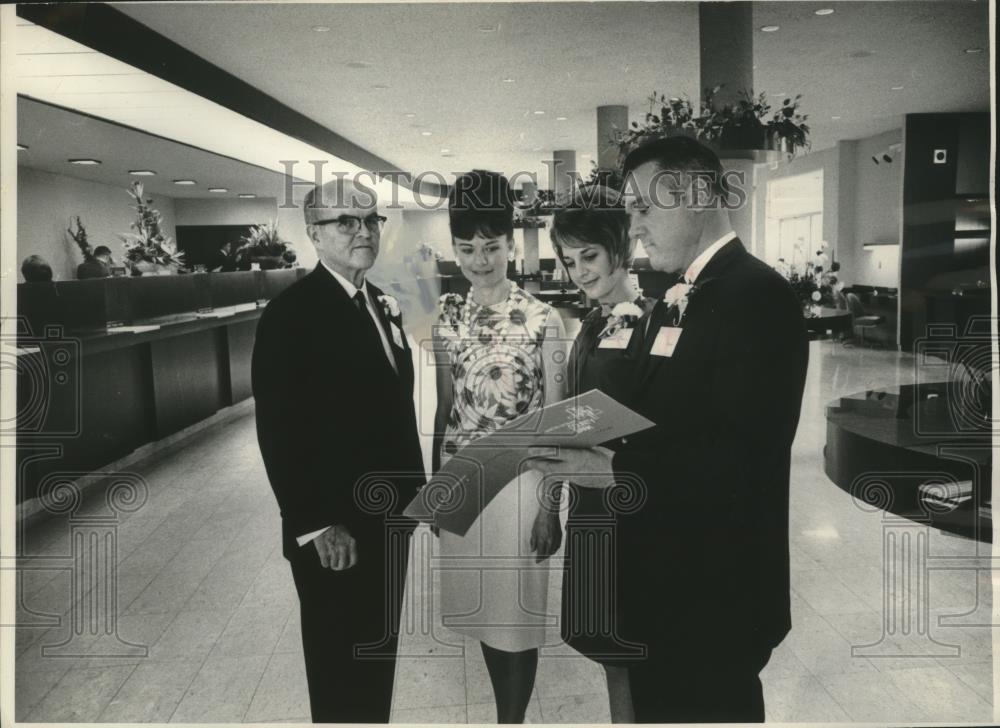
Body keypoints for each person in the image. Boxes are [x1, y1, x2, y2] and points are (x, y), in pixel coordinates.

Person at [528, 136, 809, 723]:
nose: (632, 227)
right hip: (667, 581)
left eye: (643, 209)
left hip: (714, 592)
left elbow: (743, 456)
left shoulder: (755, 295)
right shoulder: (690, 293)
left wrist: (610, 468)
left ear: (701, 195)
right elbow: (662, 418)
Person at [251, 178, 425, 723]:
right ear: (314, 235)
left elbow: (392, 408)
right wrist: (317, 523)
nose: (364, 231)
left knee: (375, 655)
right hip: (335, 530)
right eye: (346, 222)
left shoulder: (378, 302)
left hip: (386, 517)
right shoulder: (291, 315)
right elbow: (278, 429)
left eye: (371, 220)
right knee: (338, 669)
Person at [432, 170, 566, 724]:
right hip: (463, 477)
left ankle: (510, 721)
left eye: (491, 247)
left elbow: (560, 424)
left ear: (511, 244)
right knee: (487, 615)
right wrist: (436, 491)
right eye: (467, 248)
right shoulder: (446, 315)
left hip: (522, 483)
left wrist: (550, 506)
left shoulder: (544, 319)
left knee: (517, 618)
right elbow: (443, 410)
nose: (479, 260)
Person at [549, 185, 654, 723]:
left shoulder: (656, 322)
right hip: (589, 503)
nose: (579, 272)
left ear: (620, 247)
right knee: (608, 645)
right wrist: (550, 506)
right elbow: (571, 412)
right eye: (569, 260)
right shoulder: (590, 322)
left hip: (629, 503)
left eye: (589, 256)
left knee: (629, 642)